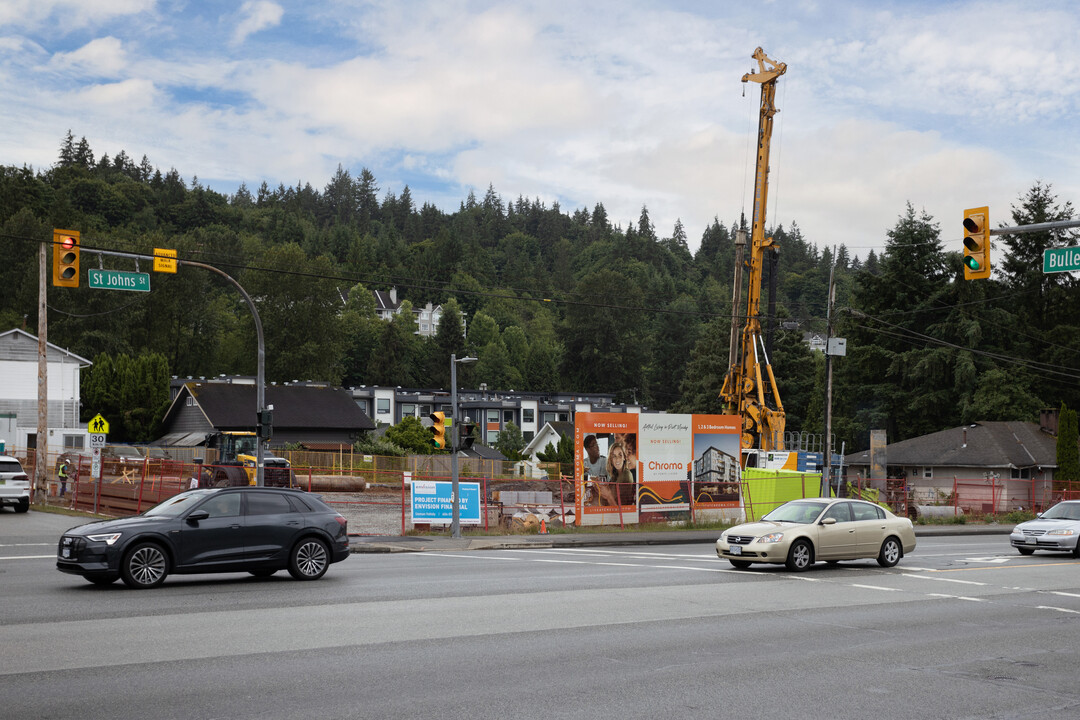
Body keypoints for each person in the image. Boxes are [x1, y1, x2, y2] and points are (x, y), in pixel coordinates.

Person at [605, 441, 636, 505]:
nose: (617, 459)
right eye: (614, 456)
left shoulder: (626, 475)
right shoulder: (615, 476)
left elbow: (618, 507)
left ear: (624, 457)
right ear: (611, 459)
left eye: (620, 455)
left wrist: (607, 495)